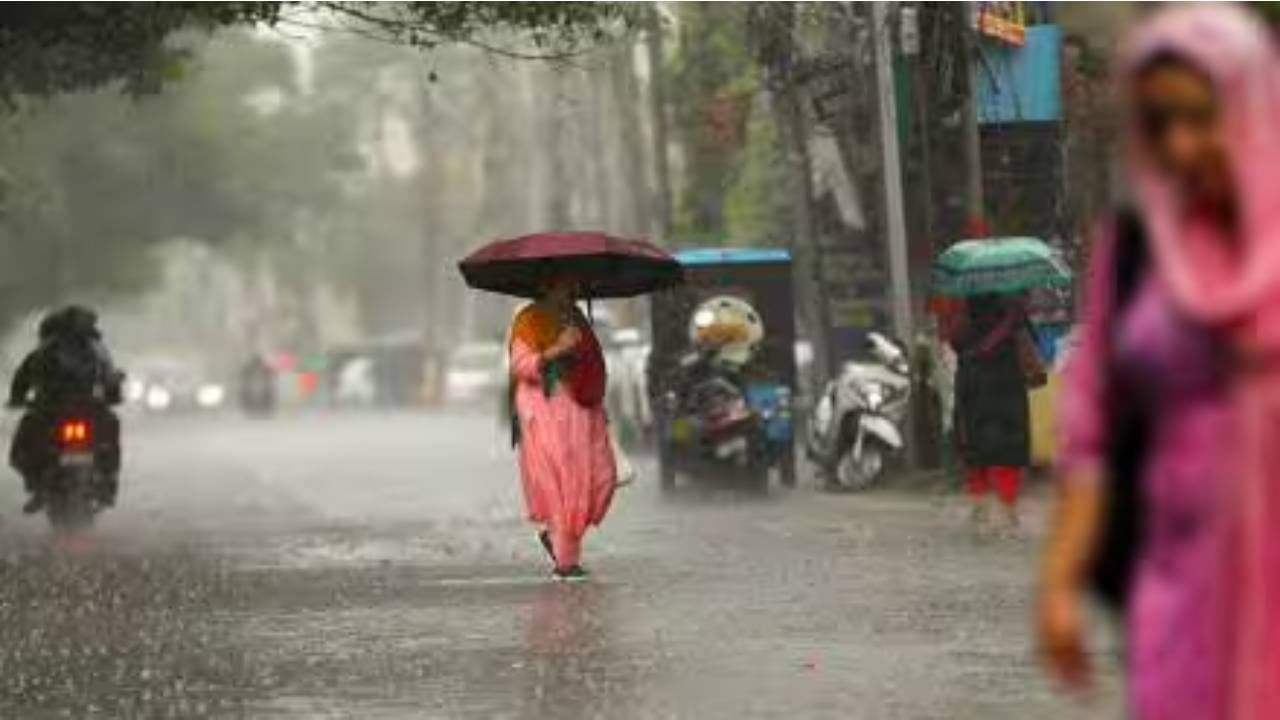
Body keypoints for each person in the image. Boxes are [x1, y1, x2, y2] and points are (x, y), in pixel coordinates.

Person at [1038, 7, 1280, 719]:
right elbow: (1092, 433)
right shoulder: (1138, 247)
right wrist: (1060, 584)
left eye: (1200, 116)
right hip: (1177, 591)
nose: (1181, 143)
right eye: (1160, 121)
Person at [507, 275, 616, 581]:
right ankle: (566, 563)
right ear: (546, 286)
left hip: (583, 412)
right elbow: (521, 366)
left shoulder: (578, 317)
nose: (573, 291)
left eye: (574, 285)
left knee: (601, 478)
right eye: (565, 285)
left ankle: (558, 539)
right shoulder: (529, 320)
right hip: (545, 414)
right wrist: (556, 348)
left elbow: (592, 366)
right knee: (563, 486)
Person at [8, 305, 123, 513]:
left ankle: (38, 485)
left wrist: (17, 399)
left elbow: (21, 379)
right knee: (111, 427)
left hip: (51, 412)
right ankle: (107, 483)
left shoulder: (43, 351)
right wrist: (113, 396)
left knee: (25, 442)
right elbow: (111, 380)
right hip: (86, 410)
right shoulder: (96, 349)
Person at [948, 293, 1033, 535]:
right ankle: (1007, 511)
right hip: (1005, 384)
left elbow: (955, 342)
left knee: (974, 445)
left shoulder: (964, 308)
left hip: (972, 384)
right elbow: (1030, 345)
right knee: (1008, 446)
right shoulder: (1012, 309)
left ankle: (980, 508)